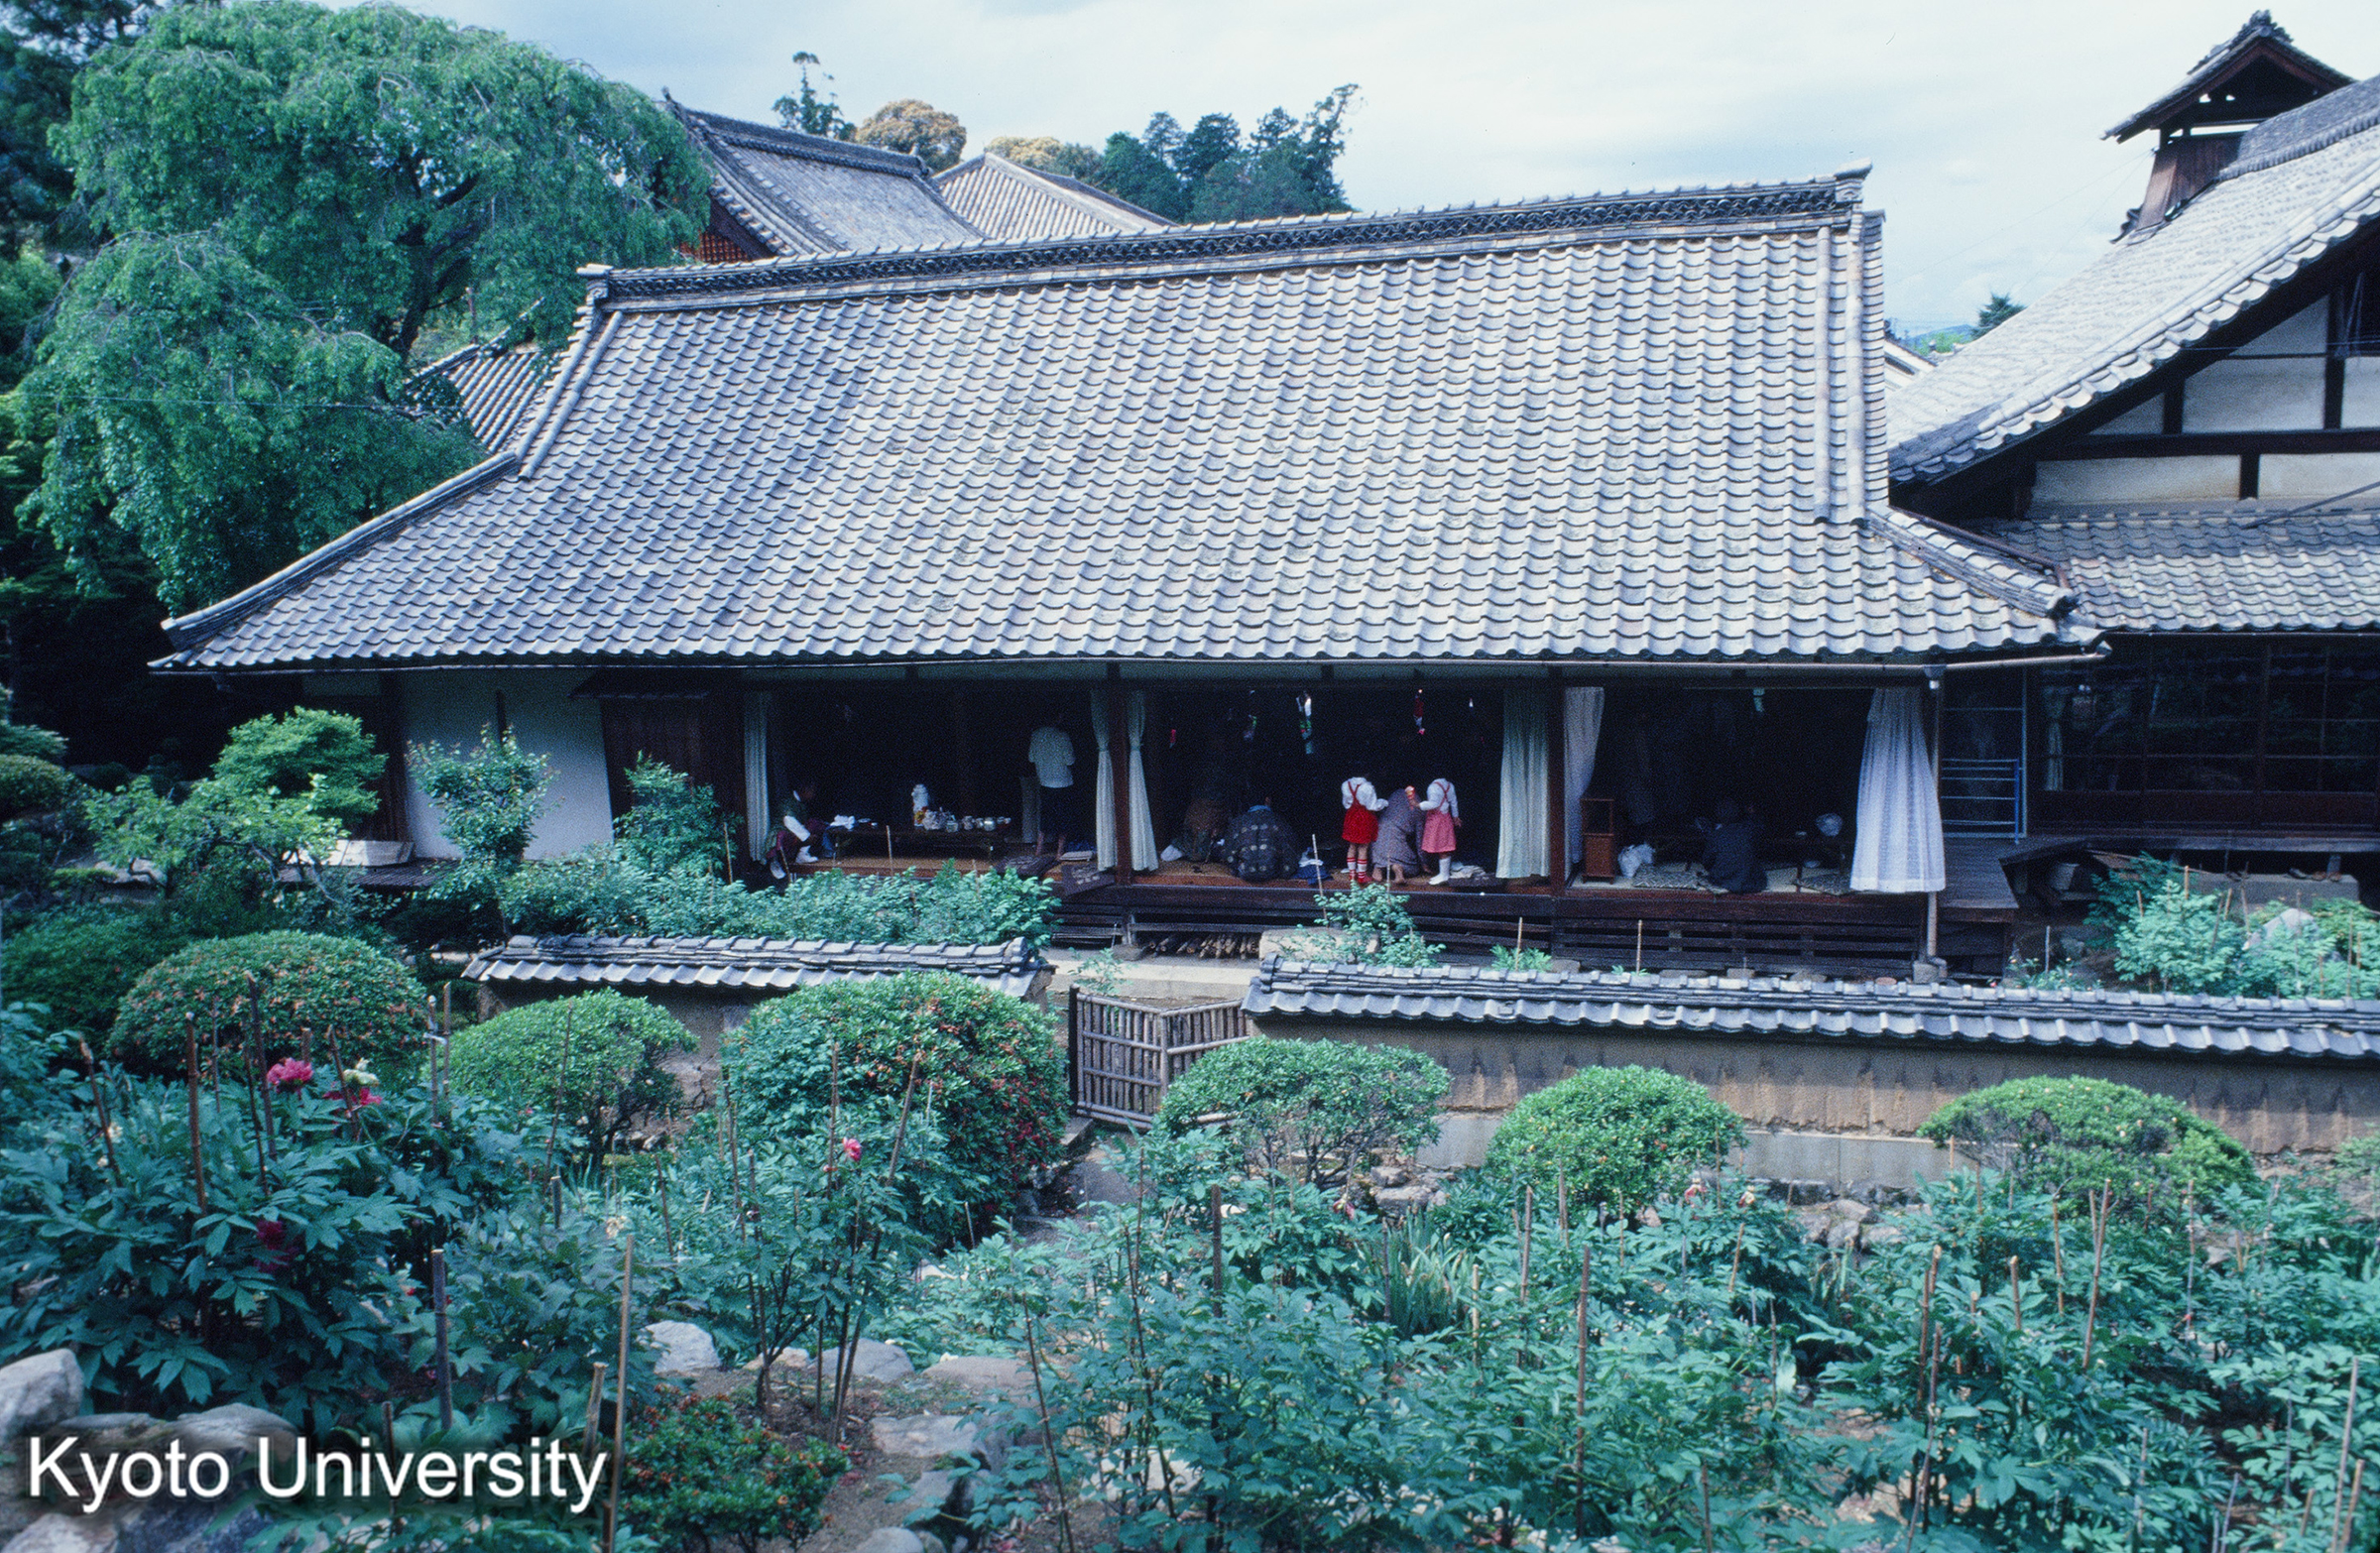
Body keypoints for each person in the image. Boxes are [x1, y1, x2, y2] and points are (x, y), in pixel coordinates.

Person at [1218, 798, 1300, 884]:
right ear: (1267, 801)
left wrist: (1235, 871)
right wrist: (1284, 875)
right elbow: (1291, 854)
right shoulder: (1280, 821)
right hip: (1271, 873)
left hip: (1245, 873)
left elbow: (1227, 853)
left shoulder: (1238, 822)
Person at [1027, 722, 1076, 856]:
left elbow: (1031, 758)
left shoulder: (1036, 735)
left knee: (1046, 815)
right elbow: (1070, 760)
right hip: (1063, 781)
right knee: (1064, 816)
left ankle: (1039, 847)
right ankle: (1059, 851)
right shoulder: (1062, 736)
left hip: (1044, 781)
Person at [1701, 797, 1766, 894]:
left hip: (1723, 881)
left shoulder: (1716, 835)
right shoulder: (1750, 830)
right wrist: (1751, 813)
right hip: (1751, 883)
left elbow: (1707, 862)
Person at [767, 777, 824, 879]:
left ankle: (802, 855)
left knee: (815, 823)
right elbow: (788, 821)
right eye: (812, 791)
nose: (813, 794)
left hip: (794, 833)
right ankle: (775, 863)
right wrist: (807, 837)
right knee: (780, 837)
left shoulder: (801, 803)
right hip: (783, 831)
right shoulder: (788, 802)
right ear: (804, 789)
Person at [1372, 782, 1424, 886]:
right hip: (1399, 850)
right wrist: (1424, 862)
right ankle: (1398, 868)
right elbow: (1420, 838)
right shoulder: (1417, 806)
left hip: (1378, 848)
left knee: (1380, 841)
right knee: (1414, 868)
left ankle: (1378, 868)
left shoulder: (1392, 798)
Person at [1340, 773, 1387, 883]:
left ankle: (1352, 874)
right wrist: (1384, 803)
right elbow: (1372, 806)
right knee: (1363, 847)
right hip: (1364, 817)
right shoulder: (1368, 787)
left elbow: (1346, 804)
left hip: (1351, 815)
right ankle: (1362, 876)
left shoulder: (1346, 784)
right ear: (1366, 774)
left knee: (1352, 845)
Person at [1418, 776, 1461, 884]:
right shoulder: (1449, 785)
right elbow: (1453, 802)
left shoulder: (1433, 787)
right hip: (1445, 817)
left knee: (1442, 847)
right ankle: (1443, 873)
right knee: (1443, 846)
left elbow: (1433, 804)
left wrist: (1418, 805)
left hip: (1437, 820)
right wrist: (1455, 816)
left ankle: (1444, 874)